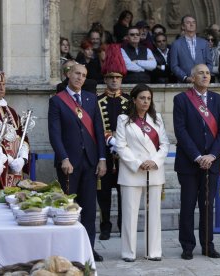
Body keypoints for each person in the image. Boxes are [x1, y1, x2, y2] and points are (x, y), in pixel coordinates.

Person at [48, 64, 107, 262]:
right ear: (68, 75)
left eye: (83, 75)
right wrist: (63, 157)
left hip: (90, 163)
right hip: (68, 164)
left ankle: (88, 250)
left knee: (89, 210)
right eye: (76, 74)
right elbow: (55, 133)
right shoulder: (57, 101)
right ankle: (66, 251)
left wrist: (102, 159)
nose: (80, 78)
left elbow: (99, 130)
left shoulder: (91, 99)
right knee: (67, 210)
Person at [173, 64, 220, 260]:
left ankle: (207, 245)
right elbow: (180, 131)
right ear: (192, 77)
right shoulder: (181, 99)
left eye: (207, 73)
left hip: (211, 162)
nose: (205, 76)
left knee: (207, 205)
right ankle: (187, 246)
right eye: (201, 73)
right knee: (188, 205)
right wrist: (197, 156)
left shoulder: (218, 100)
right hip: (189, 163)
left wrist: (212, 155)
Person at [116, 83, 169, 262]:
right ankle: (128, 252)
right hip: (132, 172)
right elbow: (120, 146)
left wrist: (154, 161)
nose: (146, 101)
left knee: (154, 214)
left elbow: (165, 144)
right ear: (134, 99)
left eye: (148, 98)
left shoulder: (157, 119)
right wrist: (138, 163)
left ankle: (153, 251)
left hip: (154, 171)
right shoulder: (123, 119)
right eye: (142, 98)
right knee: (130, 215)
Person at [96, 44, 130, 240]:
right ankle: (105, 225)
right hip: (105, 155)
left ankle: (123, 224)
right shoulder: (97, 101)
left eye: (117, 77)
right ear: (105, 79)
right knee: (104, 194)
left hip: (125, 156)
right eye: (111, 78)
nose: (114, 81)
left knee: (125, 193)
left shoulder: (129, 101)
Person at [0, 67, 27, 193]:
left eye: (3, 84)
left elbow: (22, 137)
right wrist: (5, 159)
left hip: (13, 169)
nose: (2, 88)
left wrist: (22, 158)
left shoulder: (12, 112)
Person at [170, 15, 213, 83]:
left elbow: (209, 63)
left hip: (202, 82)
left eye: (193, 22)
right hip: (184, 83)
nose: (191, 24)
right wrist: (185, 78)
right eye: (188, 22)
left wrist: (205, 76)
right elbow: (174, 66)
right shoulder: (176, 44)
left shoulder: (204, 43)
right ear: (183, 26)